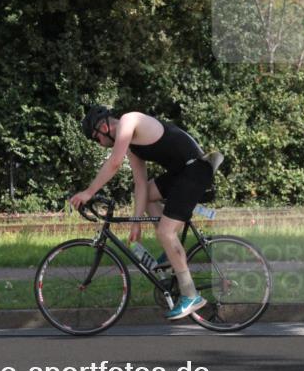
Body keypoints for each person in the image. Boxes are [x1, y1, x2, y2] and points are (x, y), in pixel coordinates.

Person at [69, 105, 214, 320]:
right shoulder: (132, 146)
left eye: (96, 138)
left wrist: (89, 192)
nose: (99, 145)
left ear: (104, 126)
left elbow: (114, 163)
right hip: (181, 172)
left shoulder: (129, 120)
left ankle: (190, 295)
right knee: (146, 197)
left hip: (195, 170)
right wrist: (136, 222)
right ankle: (173, 250)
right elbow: (141, 186)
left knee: (165, 233)